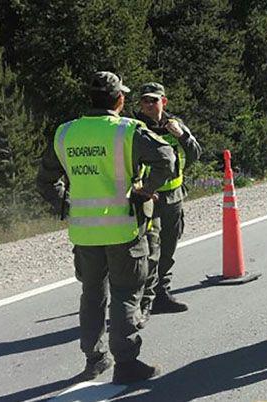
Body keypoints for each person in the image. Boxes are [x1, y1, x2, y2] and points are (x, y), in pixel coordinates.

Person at [36, 71, 175, 384]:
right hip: (123, 229)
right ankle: (126, 363)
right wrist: (146, 188)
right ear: (120, 99)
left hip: (84, 232)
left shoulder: (66, 132)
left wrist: (67, 205)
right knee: (126, 294)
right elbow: (167, 158)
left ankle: (95, 359)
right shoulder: (128, 130)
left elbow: (45, 181)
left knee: (92, 294)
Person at [134, 82, 201, 328]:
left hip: (173, 196)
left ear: (164, 101)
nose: (149, 105)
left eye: (154, 100)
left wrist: (181, 136)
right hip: (148, 199)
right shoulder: (136, 128)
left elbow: (195, 154)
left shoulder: (176, 124)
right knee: (150, 250)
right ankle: (145, 300)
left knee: (169, 246)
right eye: (145, 101)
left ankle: (163, 293)